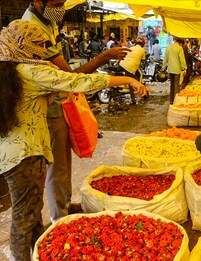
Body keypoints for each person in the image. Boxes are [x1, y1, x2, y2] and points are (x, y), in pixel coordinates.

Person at [0, 19, 151, 261]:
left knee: (32, 206)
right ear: (25, 47)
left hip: (16, 152)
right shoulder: (30, 72)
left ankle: (38, 251)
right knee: (25, 212)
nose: (42, 51)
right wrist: (127, 81)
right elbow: (79, 82)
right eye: (38, 46)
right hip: (25, 154)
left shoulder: (9, 71)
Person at [22, 0, 132, 224]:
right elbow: (72, 78)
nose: (61, 7)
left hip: (58, 103)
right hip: (48, 108)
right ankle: (59, 219)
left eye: (63, 2)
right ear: (37, 1)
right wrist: (104, 57)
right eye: (56, 3)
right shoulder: (32, 29)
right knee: (55, 167)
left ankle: (62, 203)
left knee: (62, 162)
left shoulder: (47, 20)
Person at [117, 39, 146, 104]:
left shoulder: (132, 47)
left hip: (122, 64)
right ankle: (133, 100)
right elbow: (143, 59)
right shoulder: (142, 50)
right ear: (142, 45)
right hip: (130, 68)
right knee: (131, 82)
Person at [162, 37, 187, 104]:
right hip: (177, 69)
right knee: (176, 85)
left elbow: (165, 59)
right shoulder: (179, 48)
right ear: (180, 42)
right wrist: (184, 67)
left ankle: (171, 100)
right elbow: (182, 59)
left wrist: (163, 68)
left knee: (171, 85)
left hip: (170, 69)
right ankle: (176, 100)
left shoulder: (168, 47)